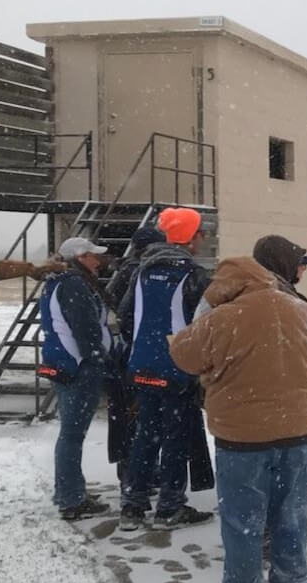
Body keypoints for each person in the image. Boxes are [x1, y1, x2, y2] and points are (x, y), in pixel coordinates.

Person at [169, 255, 307, 583]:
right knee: (292, 514)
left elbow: (184, 355)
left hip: (242, 439)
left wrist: (204, 313)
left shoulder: (223, 318)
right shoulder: (301, 310)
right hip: (296, 432)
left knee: (243, 520)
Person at [117, 207, 213, 530]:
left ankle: (133, 504)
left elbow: (126, 315)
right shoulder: (194, 276)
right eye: (201, 233)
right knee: (176, 438)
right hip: (178, 369)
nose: (204, 238)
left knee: (146, 434)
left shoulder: (142, 271)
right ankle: (170, 506)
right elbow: (205, 326)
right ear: (189, 237)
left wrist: (143, 348)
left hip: (143, 365)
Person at [252, 235, 307, 560]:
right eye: (299, 264)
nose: (303, 270)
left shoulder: (278, 294)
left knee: (273, 472)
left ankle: (268, 538)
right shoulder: (276, 298)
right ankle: (276, 544)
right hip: (279, 399)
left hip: (283, 397)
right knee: (278, 472)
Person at [38, 237, 114, 520]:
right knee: (72, 434)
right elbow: (85, 328)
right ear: (80, 257)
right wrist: (98, 359)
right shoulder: (73, 285)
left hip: (64, 363)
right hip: (78, 367)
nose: (98, 261)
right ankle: (72, 499)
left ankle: (69, 489)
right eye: (93, 256)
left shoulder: (57, 281)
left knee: (70, 433)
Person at [105, 225, 166, 496]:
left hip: (126, 354)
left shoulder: (125, 270)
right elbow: (128, 316)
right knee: (137, 419)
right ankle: (135, 476)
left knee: (132, 419)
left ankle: (136, 474)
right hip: (136, 355)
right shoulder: (139, 272)